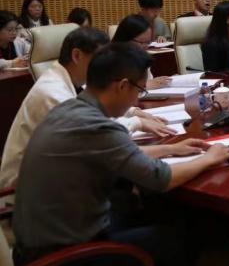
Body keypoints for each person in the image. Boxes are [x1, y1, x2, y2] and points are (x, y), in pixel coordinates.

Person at [12, 42, 229, 266]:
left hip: (36, 247)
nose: (137, 99)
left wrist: (171, 149)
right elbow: (161, 179)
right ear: (122, 86)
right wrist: (210, 158)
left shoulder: (71, 109)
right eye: (139, 90)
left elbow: (117, 152)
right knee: (178, 240)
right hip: (56, 264)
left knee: (138, 203)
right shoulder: (98, 126)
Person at [0, 27, 175, 189]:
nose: (107, 67)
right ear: (77, 56)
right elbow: (97, 134)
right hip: (24, 189)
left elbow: (96, 103)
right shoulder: (52, 93)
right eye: (100, 60)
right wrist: (137, 122)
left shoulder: (72, 79)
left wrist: (133, 111)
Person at [113, 15, 172, 89]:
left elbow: (149, 80)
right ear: (125, 38)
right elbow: (115, 89)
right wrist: (144, 85)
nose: (145, 47)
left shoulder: (142, 57)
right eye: (141, 42)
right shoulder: (112, 59)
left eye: (148, 42)